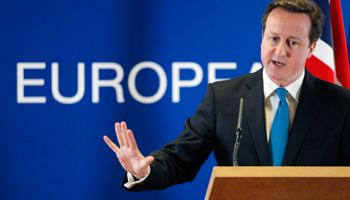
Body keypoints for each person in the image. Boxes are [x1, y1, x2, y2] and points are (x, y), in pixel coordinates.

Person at [103, 0, 350, 191]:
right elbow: (180, 160)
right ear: (261, 39)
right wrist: (142, 170)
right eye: (273, 38)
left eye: (292, 43)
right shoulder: (224, 98)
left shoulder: (341, 104)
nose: (279, 51)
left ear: (311, 49)